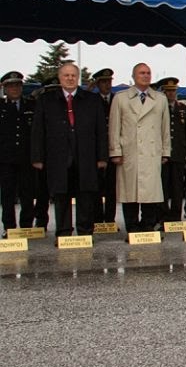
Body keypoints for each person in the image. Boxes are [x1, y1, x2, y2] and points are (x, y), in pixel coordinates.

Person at [30, 63, 108, 239]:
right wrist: (37, 157)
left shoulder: (91, 100)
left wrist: (102, 156)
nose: (70, 78)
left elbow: (101, 131)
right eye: (66, 75)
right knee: (61, 196)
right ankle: (64, 233)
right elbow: (38, 131)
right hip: (58, 157)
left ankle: (85, 232)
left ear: (78, 77)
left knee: (85, 195)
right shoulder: (46, 100)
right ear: (60, 78)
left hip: (86, 156)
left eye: (73, 75)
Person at [109, 62, 169, 234]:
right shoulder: (120, 98)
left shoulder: (160, 99)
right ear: (134, 76)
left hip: (151, 153)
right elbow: (114, 127)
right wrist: (115, 151)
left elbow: (164, 128)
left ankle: (148, 225)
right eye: (142, 73)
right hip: (130, 153)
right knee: (129, 193)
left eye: (148, 73)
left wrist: (166, 151)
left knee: (150, 193)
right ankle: (132, 226)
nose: (146, 76)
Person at [0, 71, 49, 238]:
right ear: (4, 88)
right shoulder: (1, 106)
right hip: (5, 159)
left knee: (27, 193)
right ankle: (9, 227)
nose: (14, 89)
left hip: (27, 158)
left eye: (17, 85)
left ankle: (26, 226)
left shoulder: (32, 105)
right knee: (7, 195)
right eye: (10, 86)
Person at [157, 77, 186, 223]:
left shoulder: (184, 110)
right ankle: (163, 216)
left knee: (177, 188)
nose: (171, 94)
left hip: (178, 154)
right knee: (162, 187)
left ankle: (175, 216)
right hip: (162, 155)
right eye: (168, 91)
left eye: (173, 91)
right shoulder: (157, 109)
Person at [91, 68, 118, 225]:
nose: (107, 85)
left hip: (113, 148)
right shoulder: (92, 100)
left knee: (111, 187)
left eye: (109, 82)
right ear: (97, 84)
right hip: (96, 150)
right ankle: (97, 218)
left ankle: (110, 219)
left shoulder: (116, 99)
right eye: (104, 82)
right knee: (96, 186)